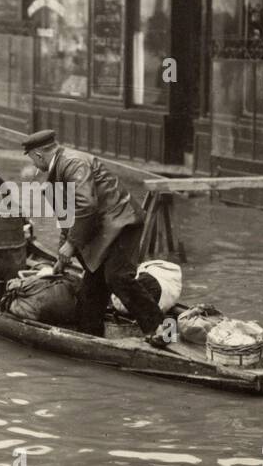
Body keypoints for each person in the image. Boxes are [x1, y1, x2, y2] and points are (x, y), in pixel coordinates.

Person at [21, 129, 168, 344]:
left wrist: (71, 245)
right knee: (91, 290)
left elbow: (87, 206)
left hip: (121, 223)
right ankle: (89, 338)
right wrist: (63, 255)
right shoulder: (56, 175)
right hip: (100, 231)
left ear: (38, 155)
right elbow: (67, 219)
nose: (35, 166)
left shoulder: (73, 163)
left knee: (117, 277)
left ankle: (165, 330)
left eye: (33, 160)